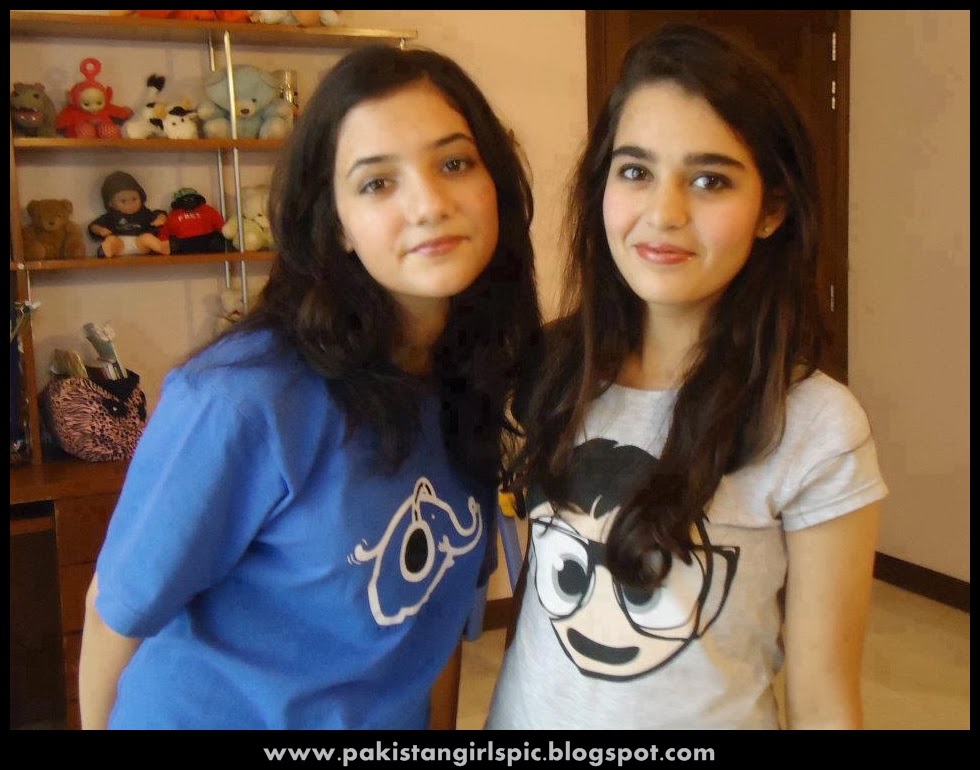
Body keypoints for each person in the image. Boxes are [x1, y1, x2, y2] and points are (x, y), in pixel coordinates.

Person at [78, 44, 541, 730]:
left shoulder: (466, 380)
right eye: (377, 183)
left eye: (454, 164)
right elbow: (115, 610)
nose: (429, 205)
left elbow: (426, 624)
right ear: (339, 225)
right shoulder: (244, 397)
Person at [485, 23, 888, 730]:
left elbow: (824, 701)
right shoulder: (550, 370)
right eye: (635, 171)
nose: (663, 214)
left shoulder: (815, 423)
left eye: (709, 180)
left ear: (772, 208)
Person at [88, 170, 170, 257]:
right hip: (119, 244)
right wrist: (100, 230)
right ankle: (107, 249)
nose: (130, 204)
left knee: (147, 237)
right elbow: (93, 226)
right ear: (110, 203)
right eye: (123, 201)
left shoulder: (144, 213)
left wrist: (160, 219)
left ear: (141, 197)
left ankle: (161, 247)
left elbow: (159, 214)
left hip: (140, 243)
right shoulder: (111, 216)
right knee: (111, 239)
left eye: (134, 199)